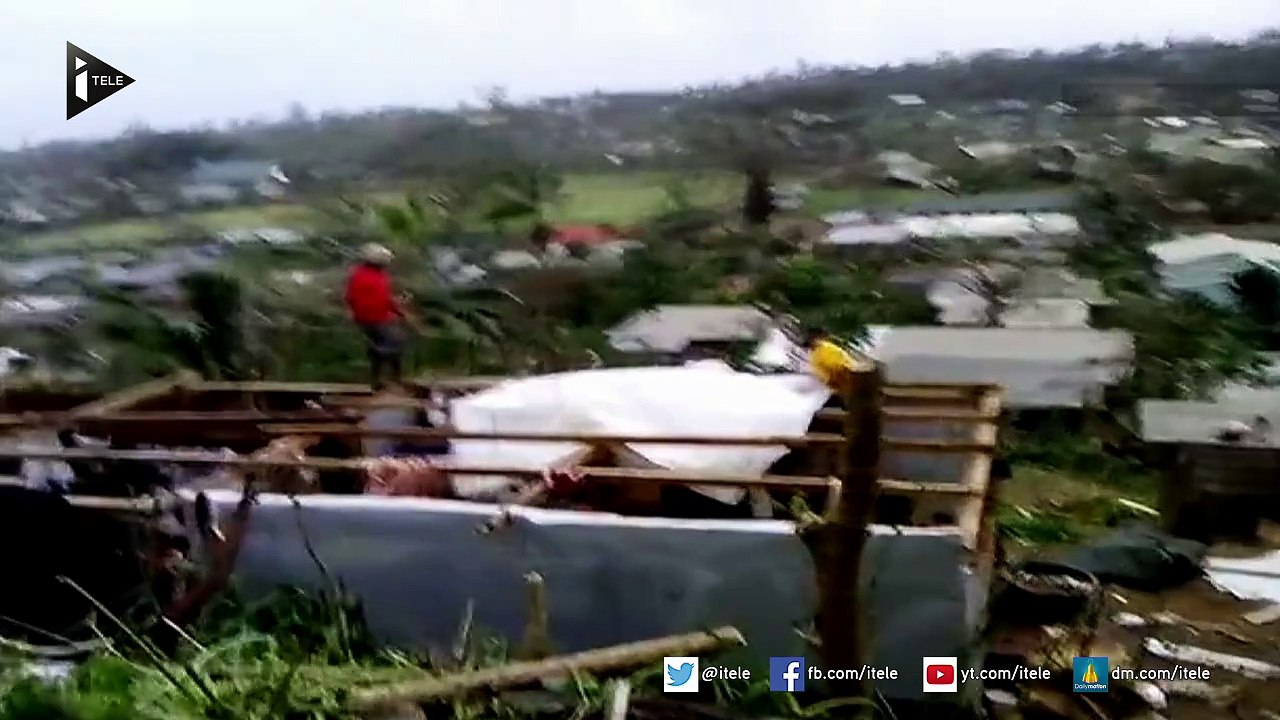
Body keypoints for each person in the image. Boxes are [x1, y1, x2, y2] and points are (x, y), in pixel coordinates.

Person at [345, 243, 412, 389]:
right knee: (398, 342)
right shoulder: (378, 277)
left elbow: (351, 297)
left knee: (386, 341)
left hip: (364, 318)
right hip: (377, 318)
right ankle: (394, 376)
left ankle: (378, 379)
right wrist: (399, 311)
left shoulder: (358, 274)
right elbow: (383, 300)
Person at [803, 326, 866, 393]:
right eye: (813, 338)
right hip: (846, 381)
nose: (818, 339)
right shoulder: (816, 358)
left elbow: (843, 359)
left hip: (852, 375)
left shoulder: (826, 347)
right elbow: (828, 378)